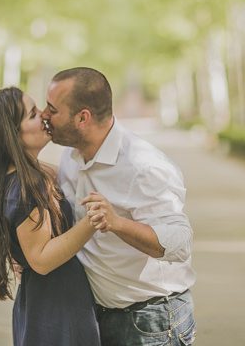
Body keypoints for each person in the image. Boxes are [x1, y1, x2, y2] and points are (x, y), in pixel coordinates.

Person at [42, 67, 197, 346]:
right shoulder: (71, 156)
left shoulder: (143, 166)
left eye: (52, 109)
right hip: (98, 317)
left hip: (150, 321)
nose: (44, 115)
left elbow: (180, 244)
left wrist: (117, 223)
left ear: (82, 118)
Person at [0, 86, 102, 346]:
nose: (43, 114)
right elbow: (41, 258)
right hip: (57, 307)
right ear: (10, 134)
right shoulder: (26, 187)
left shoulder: (17, 179)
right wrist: (92, 221)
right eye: (32, 113)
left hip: (43, 301)